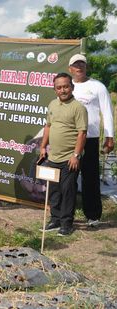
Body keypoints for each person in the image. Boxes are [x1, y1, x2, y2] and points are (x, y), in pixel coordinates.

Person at [68, 54, 115, 227]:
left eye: (82, 64)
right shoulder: (67, 86)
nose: (79, 67)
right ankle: (67, 214)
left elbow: (107, 112)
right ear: (70, 68)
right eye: (75, 64)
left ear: (86, 67)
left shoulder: (97, 86)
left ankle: (93, 216)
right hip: (70, 138)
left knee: (90, 177)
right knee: (68, 178)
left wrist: (110, 137)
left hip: (90, 138)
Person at [38, 72, 88, 236]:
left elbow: (82, 133)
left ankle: (67, 223)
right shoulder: (52, 104)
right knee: (54, 190)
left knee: (68, 190)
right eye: (59, 87)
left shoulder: (79, 108)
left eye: (66, 86)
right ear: (55, 90)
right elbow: (48, 127)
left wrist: (76, 155)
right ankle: (55, 219)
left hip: (69, 159)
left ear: (72, 87)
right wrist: (43, 146)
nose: (63, 90)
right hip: (53, 157)